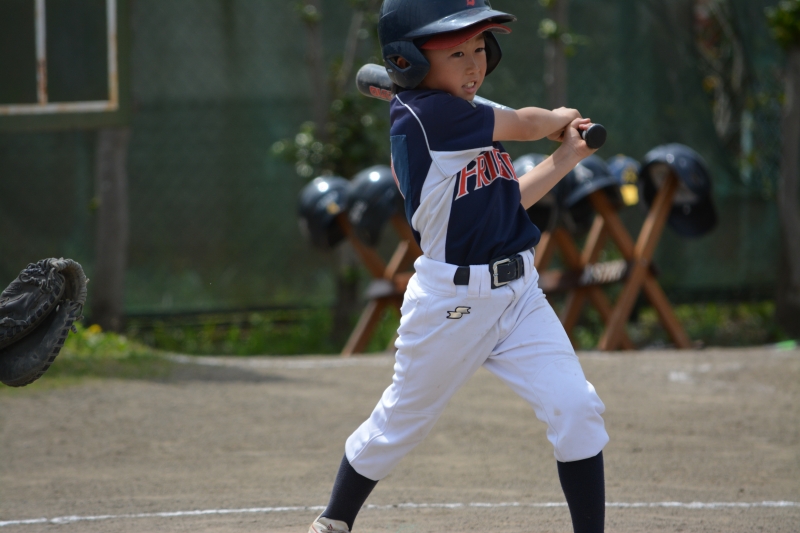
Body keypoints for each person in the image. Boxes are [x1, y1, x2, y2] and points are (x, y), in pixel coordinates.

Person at [309, 1, 608, 532]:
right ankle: (333, 522)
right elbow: (525, 124)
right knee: (401, 422)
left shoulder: (458, 111)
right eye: (455, 53)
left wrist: (565, 157)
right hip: (452, 302)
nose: (473, 65)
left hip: (520, 297)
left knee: (576, 407)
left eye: (478, 49)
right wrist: (558, 118)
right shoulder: (432, 117)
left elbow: (507, 202)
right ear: (408, 61)